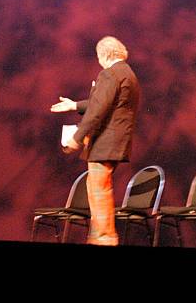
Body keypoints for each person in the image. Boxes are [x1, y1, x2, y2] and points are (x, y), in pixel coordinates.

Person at [51, 36, 140, 246]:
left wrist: (77, 137)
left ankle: (104, 238)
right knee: (100, 188)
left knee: (98, 190)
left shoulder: (109, 74)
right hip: (117, 142)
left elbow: (98, 110)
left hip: (105, 143)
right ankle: (103, 236)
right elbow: (102, 103)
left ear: (103, 54)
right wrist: (74, 105)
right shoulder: (127, 74)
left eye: (98, 56)